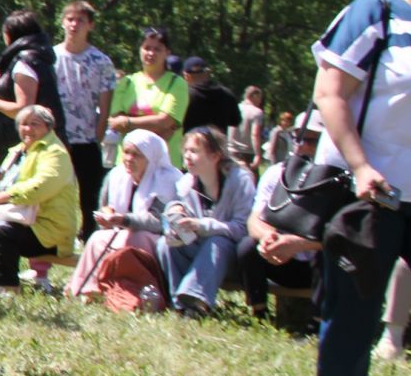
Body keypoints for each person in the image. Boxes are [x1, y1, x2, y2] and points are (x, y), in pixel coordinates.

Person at [308, 0, 411, 376]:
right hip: (375, 193)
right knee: (354, 312)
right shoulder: (374, 13)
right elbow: (330, 94)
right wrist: (360, 166)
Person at [0, 105, 79, 293]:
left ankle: (8, 288)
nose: (28, 129)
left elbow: (41, 186)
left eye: (34, 124)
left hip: (50, 229)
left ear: (48, 127)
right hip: (18, 217)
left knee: (3, 231)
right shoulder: (17, 151)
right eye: (23, 124)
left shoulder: (55, 152)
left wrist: (1, 198)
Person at [67, 130, 176, 301]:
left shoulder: (167, 180)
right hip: (121, 228)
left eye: (136, 155)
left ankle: (139, 290)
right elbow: (105, 206)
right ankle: (89, 288)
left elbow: (158, 221)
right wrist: (106, 216)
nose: (129, 158)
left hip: (154, 235)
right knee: (98, 238)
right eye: (126, 152)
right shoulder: (116, 176)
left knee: (136, 237)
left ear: (151, 158)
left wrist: (125, 220)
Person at [157, 127, 255, 317]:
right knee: (166, 244)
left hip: (231, 256)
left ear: (215, 155)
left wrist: (202, 225)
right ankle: (179, 303)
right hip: (200, 249)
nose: (187, 157)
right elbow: (177, 205)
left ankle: (197, 302)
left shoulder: (240, 181)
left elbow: (243, 228)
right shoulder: (186, 183)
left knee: (217, 242)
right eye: (185, 151)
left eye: (194, 151)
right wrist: (175, 209)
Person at [239, 112, 321, 320]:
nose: (301, 146)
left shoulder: (336, 178)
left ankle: (318, 320)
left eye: (310, 140)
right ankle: (259, 312)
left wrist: (297, 244)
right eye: (297, 138)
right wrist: (270, 238)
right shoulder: (276, 173)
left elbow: (339, 237)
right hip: (281, 260)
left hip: (315, 262)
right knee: (248, 246)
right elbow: (253, 219)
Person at [53, 0, 117, 239]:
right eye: (70, 19)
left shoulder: (101, 62)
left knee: (90, 195)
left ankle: (90, 237)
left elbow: (105, 105)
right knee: (54, 192)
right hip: (57, 138)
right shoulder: (51, 57)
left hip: (87, 139)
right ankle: (55, 238)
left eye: (80, 20)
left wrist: (97, 137)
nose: (74, 25)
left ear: (90, 25)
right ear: (62, 22)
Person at [0, 9, 64, 158]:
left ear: (9, 34)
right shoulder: (41, 59)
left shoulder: (24, 64)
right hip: (44, 141)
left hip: (32, 147)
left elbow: (23, 110)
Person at [107, 26, 190, 166]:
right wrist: (155, 126)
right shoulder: (127, 83)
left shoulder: (176, 84)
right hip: (127, 165)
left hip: (163, 166)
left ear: (167, 52)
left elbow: (165, 121)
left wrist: (128, 122)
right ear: (140, 49)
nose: (151, 53)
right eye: (147, 48)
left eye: (157, 49)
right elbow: (115, 123)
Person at [180, 57, 243, 145]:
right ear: (207, 73)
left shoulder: (184, 96)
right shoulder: (227, 94)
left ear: (186, 76)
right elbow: (235, 121)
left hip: (191, 147)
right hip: (218, 148)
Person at [230, 85, 267, 170]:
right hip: (247, 154)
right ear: (253, 96)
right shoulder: (257, 112)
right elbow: (255, 134)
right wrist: (258, 154)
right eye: (259, 98)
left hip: (231, 153)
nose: (260, 101)